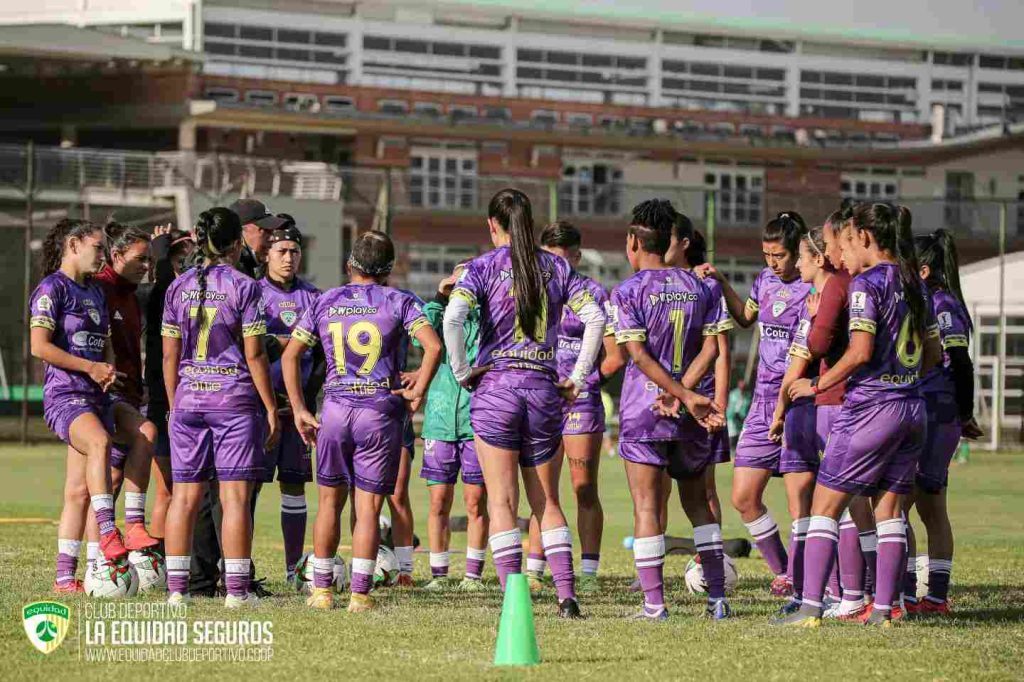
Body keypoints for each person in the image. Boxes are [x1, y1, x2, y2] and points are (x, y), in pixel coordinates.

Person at [774, 202, 941, 627]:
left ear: (864, 238)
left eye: (845, 243)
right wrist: (903, 380)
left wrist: (817, 385)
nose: (840, 255)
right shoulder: (916, 285)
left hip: (870, 408)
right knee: (889, 512)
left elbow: (861, 351)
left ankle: (810, 608)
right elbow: (935, 354)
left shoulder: (868, 284)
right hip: (913, 407)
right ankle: (885, 611)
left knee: (825, 507)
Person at [442, 188, 606, 619]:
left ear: (492, 225)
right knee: (547, 502)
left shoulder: (480, 267)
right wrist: (578, 376)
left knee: (501, 503)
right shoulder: (556, 266)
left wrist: (462, 373)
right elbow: (596, 317)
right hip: (542, 391)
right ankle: (567, 597)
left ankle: (516, 599)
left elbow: (452, 317)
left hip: (496, 390)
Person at [282, 230, 442, 612]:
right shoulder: (399, 300)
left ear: (350, 264)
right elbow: (433, 346)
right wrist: (419, 386)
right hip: (378, 410)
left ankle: (321, 591)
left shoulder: (326, 300)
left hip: (335, 410)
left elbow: (290, 356)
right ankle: (359, 595)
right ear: (387, 269)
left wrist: (301, 409)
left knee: (328, 504)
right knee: (368, 507)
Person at [611, 199, 725, 620]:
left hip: (646, 410)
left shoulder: (628, 291)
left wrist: (673, 393)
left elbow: (638, 356)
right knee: (698, 505)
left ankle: (654, 605)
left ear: (636, 242)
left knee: (646, 506)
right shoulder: (702, 287)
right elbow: (712, 347)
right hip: (690, 411)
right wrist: (686, 394)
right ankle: (717, 599)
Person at [161, 207, 279, 608]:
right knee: (234, 499)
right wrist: (269, 407)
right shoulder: (245, 287)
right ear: (235, 243)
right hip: (233, 401)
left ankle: (177, 593)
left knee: (184, 498)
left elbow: (168, 356)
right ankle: (236, 593)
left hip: (189, 399)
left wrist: (176, 404)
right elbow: (256, 355)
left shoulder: (177, 289)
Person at [697, 212, 814, 597]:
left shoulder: (812, 289)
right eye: (766, 254)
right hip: (763, 400)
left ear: (798, 252)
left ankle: (803, 580)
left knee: (802, 502)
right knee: (744, 496)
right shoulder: (764, 281)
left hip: (798, 401)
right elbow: (746, 318)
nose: (771, 262)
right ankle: (783, 570)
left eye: (778, 255)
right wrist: (721, 281)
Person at [31, 219, 130, 592]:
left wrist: (105, 369)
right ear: (74, 245)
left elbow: (101, 343)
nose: (102, 255)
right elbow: (39, 346)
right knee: (101, 442)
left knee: (77, 490)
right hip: (65, 397)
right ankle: (109, 530)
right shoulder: (51, 288)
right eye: (98, 247)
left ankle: (63, 578)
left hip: (96, 397)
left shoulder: (96, 292)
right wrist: (89, 367)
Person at [524, 220, 622, 594]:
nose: (558, 267)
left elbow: (614, 358)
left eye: (565, 259)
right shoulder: (531, 292)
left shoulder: (595, 294)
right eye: (551, 259)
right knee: (542, 491)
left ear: (578, 258)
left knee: (583, 488)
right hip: (540, 401)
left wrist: (581, 382)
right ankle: (534, 570)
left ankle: (589, 572)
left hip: (581, 402)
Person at [902, 229, 983, 616]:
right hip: (934, 413)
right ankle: (928, 597)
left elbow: (962, 364)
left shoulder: (941, 305)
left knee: (903, 505)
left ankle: (916, 596)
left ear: (923, 268)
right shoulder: (925, 301)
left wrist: (963, 413)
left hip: (935, 414)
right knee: (924, 508)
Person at [766, 223, 835, 614]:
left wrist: (778, 412)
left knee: (814, 507)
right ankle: (853, 591)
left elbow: (796, 368)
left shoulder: (822, 302)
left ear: (815, 258)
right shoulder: (844, 293)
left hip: (811, 411)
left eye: (801, 258)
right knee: (845, 506)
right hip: (836, 408)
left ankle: (814, 590)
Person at [86, 223, 162, 564]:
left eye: (149, 259)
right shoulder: (97, 289)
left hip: (130, 394)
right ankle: (130, 527)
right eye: (140, 259)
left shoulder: (132, 294)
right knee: (145, 434)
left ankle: (96, 561)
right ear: (115, 256)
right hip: (101, 395)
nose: (146, 266)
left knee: (112, 480)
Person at [418, 261, 490, 592]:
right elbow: (421, 342)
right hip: (440, 419)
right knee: (438, 502)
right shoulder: (441, 317)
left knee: (476, 501)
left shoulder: (487, 320)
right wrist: (437, 295)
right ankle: (439, 574)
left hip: (478, 420)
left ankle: (473, 575)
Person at [258, 224, 321, 584]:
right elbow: (254, 349)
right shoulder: (252, 293)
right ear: (267, 253)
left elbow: (323, 355)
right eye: (281, 251)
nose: (288, 258)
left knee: (295, 487)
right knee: (244, 487)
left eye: (294, 251)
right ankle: (236, 567)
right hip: (258, 410)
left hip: (299, 411)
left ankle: (293, 570)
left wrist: (306, 399)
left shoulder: (314, 297)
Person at [665, 221, 733, 525]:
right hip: (663, 395)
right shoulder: (655, 281)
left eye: (666, 238)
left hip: (701, 398)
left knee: (705, 488)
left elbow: (719, 350)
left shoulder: (707, 284)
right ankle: (651, 566)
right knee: (656, 486)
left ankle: (713, 562)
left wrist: (720, 402)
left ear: (684, 244)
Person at [142, 225, 194, 557]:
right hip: (164, 399)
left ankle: (184, 559)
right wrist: (159, 249)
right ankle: (159, 559)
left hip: (199, 397)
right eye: (178, 256)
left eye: (190, 254)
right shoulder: (158, 294)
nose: (185, 261)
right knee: (167, 489)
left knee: (189, 491)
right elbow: (160, 280)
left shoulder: (199, 293)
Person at [726, 379, 751, 449]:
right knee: (732, 435)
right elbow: (729, 405)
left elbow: (748, 407)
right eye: (741, 386)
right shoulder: (733, 394)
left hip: (742, 418)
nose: (742, 388)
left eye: (744, 387)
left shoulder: (748, 396)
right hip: (732, 417)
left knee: (741, 436)